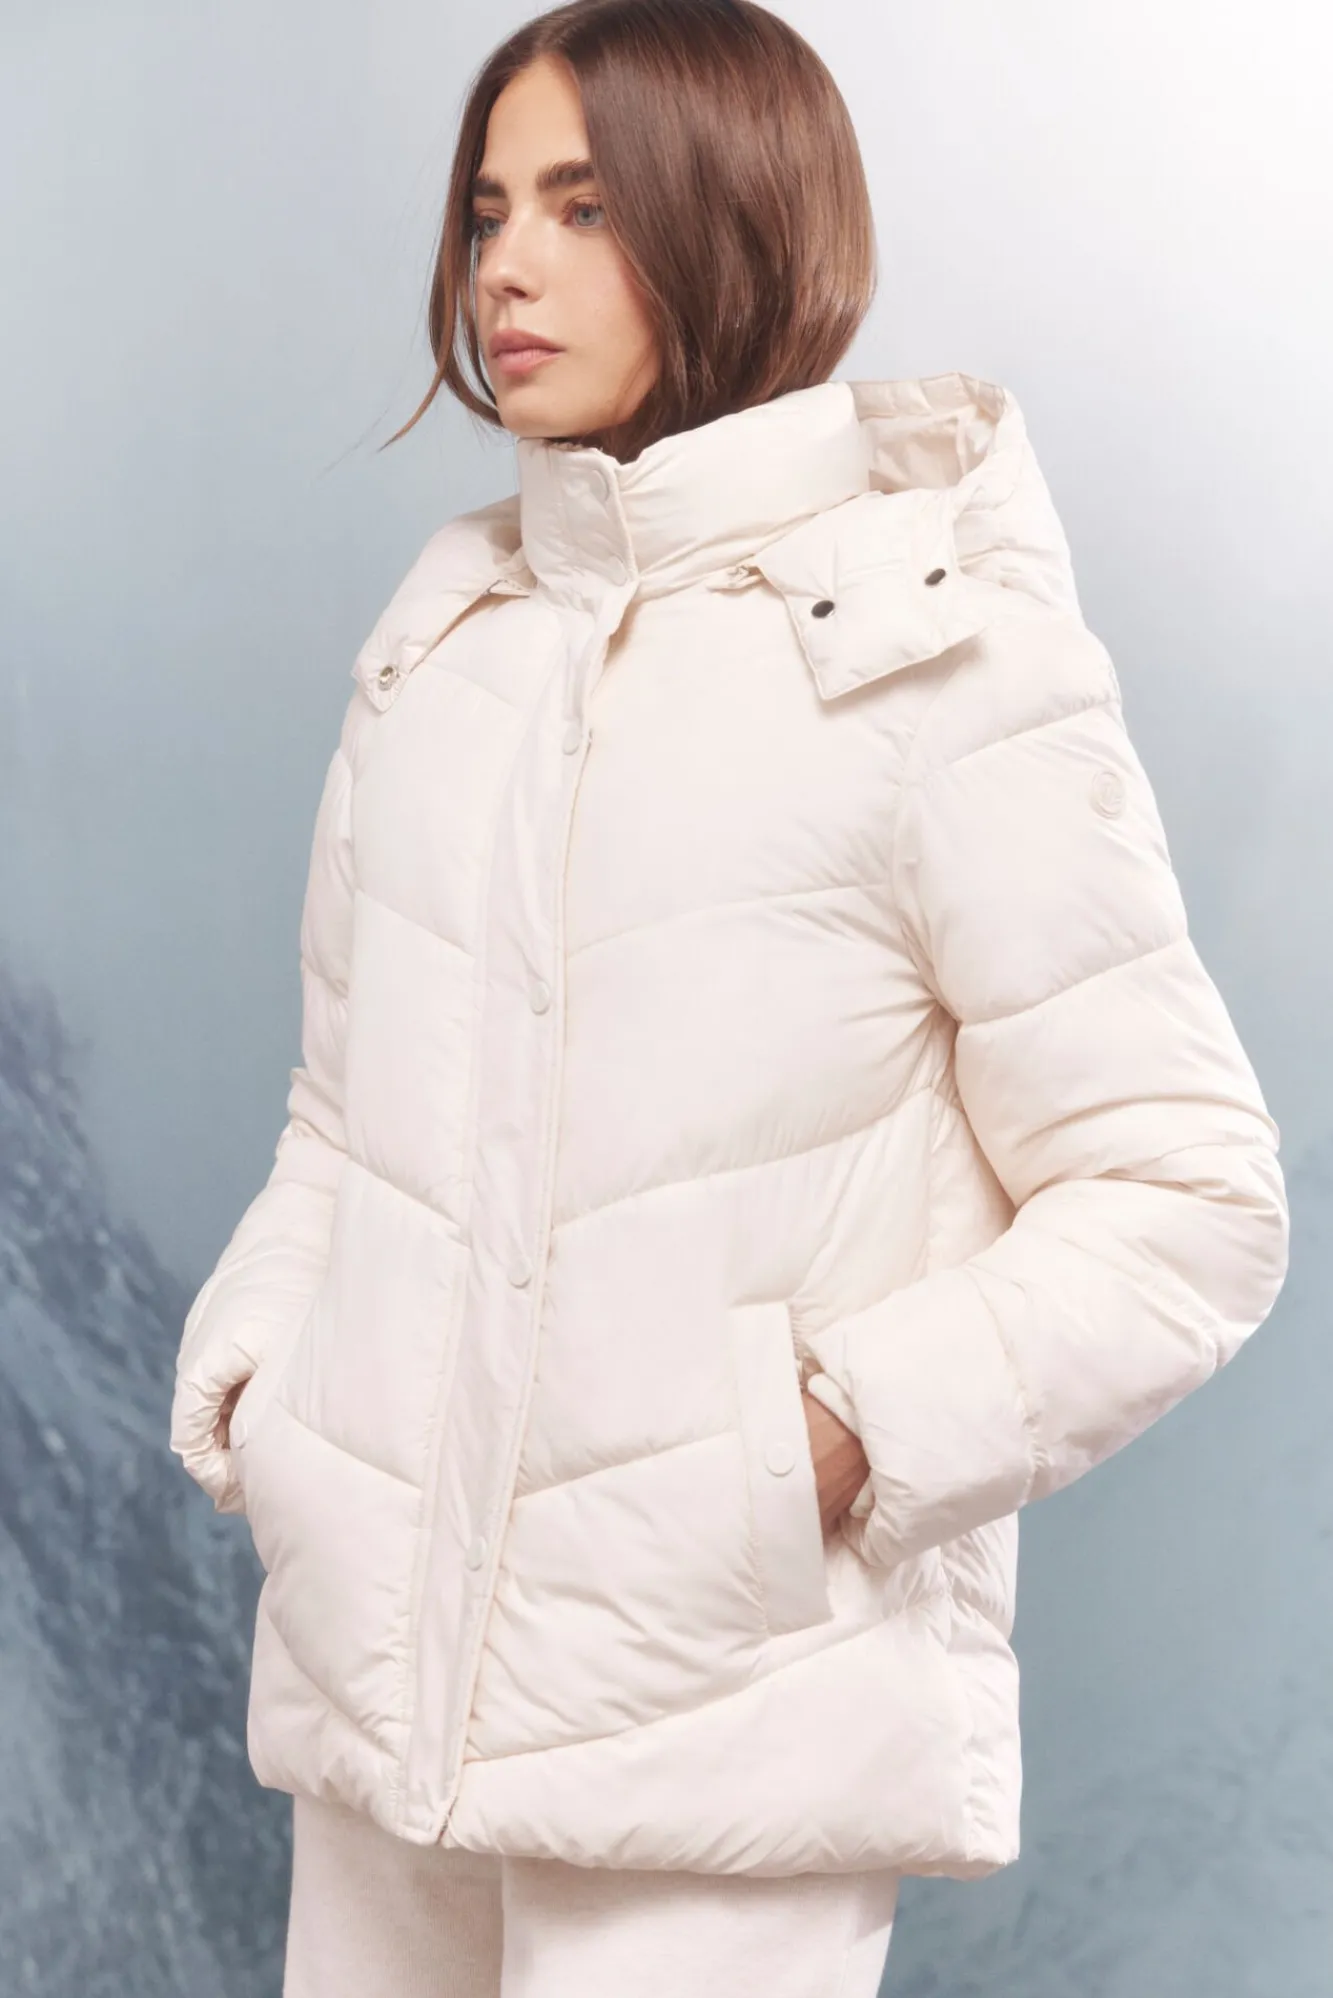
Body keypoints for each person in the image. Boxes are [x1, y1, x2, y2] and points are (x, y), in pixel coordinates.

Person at [168, 3, 1291, 1993]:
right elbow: (344, 1122)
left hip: (729, 1719)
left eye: (582, 207)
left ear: (737, 221)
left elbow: (1189, 1195)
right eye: (488, 209)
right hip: (380, 1709)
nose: (504, 268)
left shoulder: (934, 666)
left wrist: (837, 1440)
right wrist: (279, 1390)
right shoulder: (443, 660)